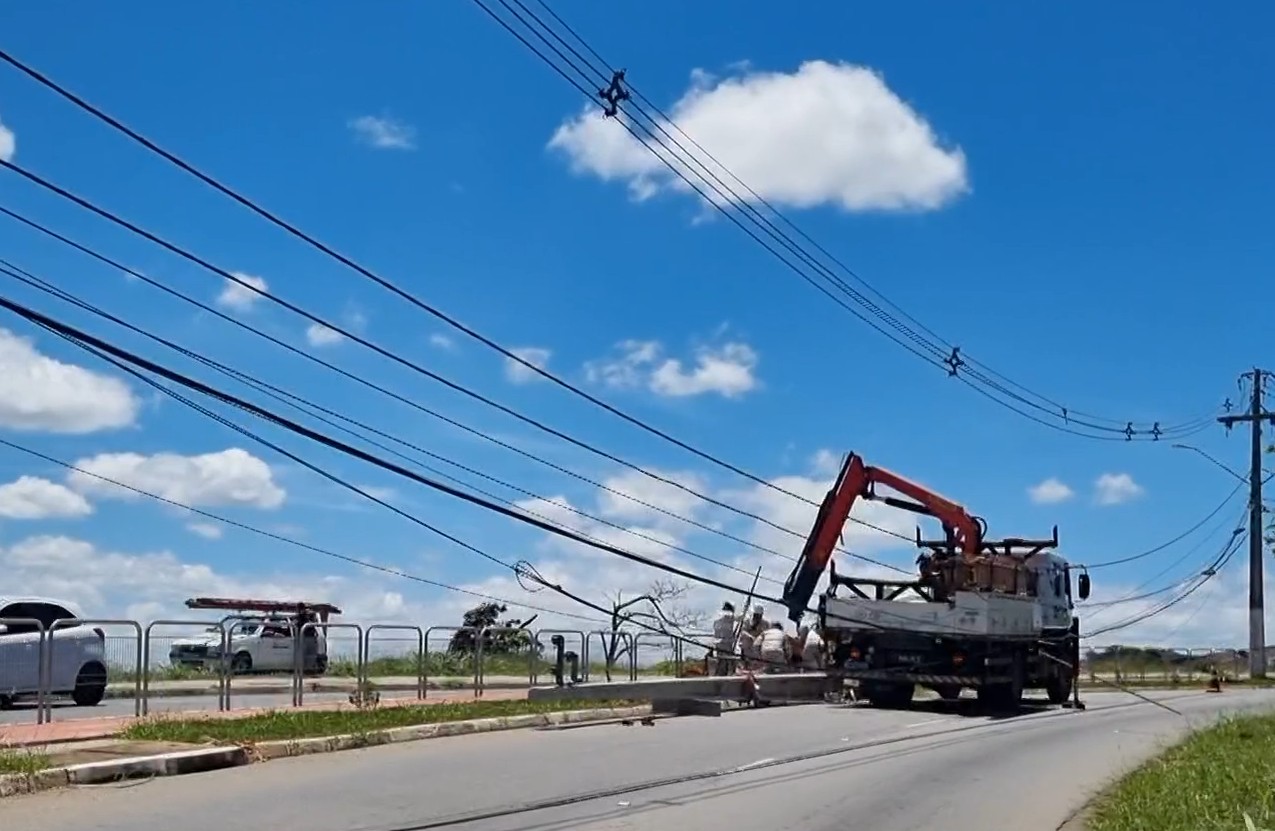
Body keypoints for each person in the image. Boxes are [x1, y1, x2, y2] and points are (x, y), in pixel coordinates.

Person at [711, 602, 739, 675]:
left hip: (718, 644)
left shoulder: (717, 617)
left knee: (721, 663)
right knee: (727, 664)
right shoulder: (728, 616)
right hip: (725, 644)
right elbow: (740, 618)